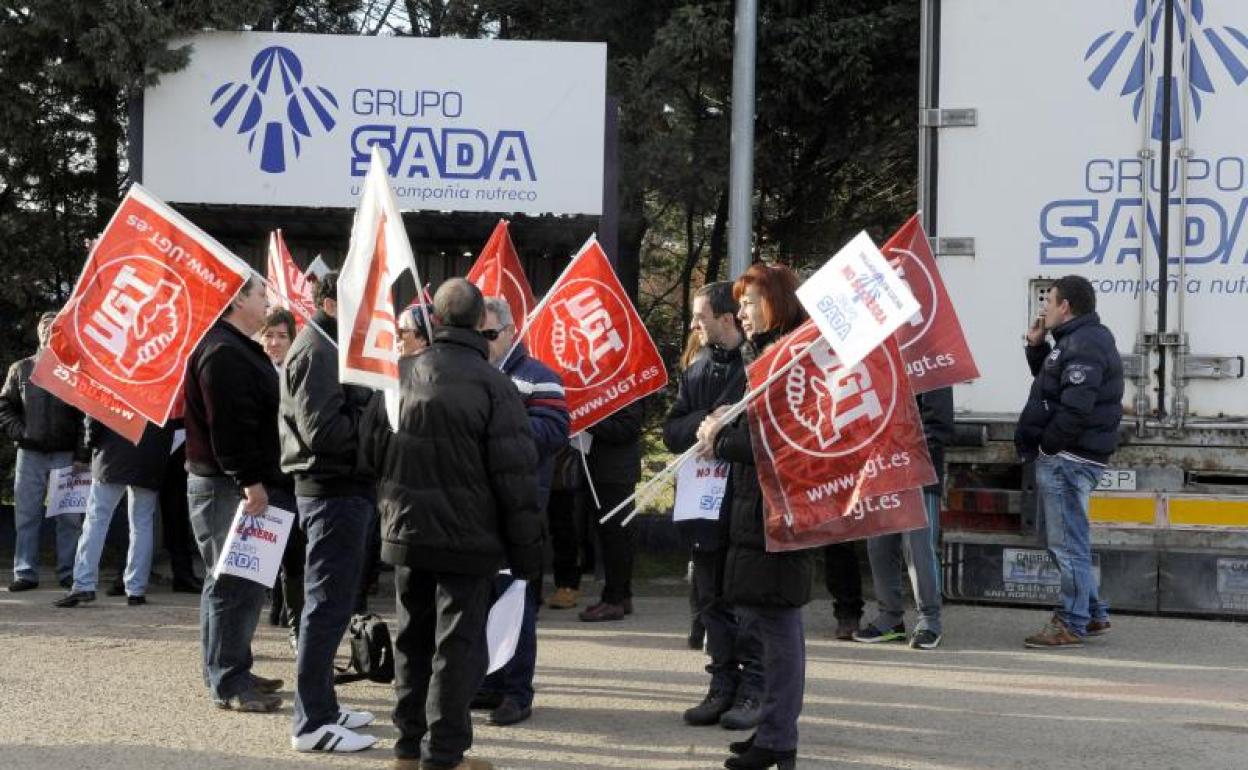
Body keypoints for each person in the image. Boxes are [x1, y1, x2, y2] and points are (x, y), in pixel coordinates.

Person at [365, 278, 542, 770]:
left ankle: (408, 749)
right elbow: (515, 476)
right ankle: (442, 756)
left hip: (408, 534)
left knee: (412, 641)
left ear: (437, 320)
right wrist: (528, 555)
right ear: (480, 325)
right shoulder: (495, 385)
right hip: (468, 541)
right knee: (455, 650)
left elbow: (370, 453)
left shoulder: (399, 375)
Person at [700, 264, 812, 770]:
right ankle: (771, 728)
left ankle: (779, 742)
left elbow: (785, 446)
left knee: (779, 627)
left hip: (780, 510)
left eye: (749, 303)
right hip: (756, 506)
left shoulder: (796, 360)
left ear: (777, 304)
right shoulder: (766, 355)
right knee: (764, 624)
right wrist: (722, 425)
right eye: (741, 304)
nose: (741, 312)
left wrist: (720, 439)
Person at [279, 272, 379, 752]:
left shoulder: (328, 345)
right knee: (324, 607)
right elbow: (325, 433)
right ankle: (311, 724)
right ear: (332, 303)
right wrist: (378, 409)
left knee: (335, 604)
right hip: (330, 491)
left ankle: (324, 706)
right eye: (361, 303)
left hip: (344, 488)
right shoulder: (318, 349)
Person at [184, 275, 293, 713]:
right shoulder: (224, 352)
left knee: (231, 585)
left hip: (231, 484)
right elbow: (229, 427)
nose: (268, 303)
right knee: (234, 584)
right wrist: (250, 481)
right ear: (238, 300)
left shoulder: (233, 347)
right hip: (230, 487)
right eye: (261, 296)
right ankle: (229, 681)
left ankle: (230, 669)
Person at [662, 281, 763, 731]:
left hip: (742, 504)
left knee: (746, 602)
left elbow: (763, 439)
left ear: (725, 319)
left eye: (700, 316)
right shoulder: (697, 367)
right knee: (709, 600)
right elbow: (671, 430)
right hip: (702, 503)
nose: (693, 325)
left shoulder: (758, 366)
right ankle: (720, 685)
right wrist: (704, 428)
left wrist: (722, 436)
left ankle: (753, 689)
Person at [475, 296, 569, 727]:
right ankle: (490, 682)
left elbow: (550, 434)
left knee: (516, 602)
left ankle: (517, 691)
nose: (484, 342)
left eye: (491, 334)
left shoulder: (540, 378)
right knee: (480, 601)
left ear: (512, 331)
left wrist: (492, 425)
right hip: (475, 510)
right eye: (478, 334)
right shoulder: (470, 376)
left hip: (520, 511)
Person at [1017, 275, 1123, 648]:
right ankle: (1092, 614)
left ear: (1066, 306)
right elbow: (1052, 384)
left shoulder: (1084, 342)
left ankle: (1071, 622)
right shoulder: (1074, 341)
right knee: (1068, 539)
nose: (1044, 306)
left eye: (1050, 300)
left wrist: (1048, 447)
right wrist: (1036, 346)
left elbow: (1076, 408)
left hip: (1069, 458)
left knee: (1066, 544)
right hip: (1070, 455)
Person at [853, 387, 953, 649]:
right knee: (879, 547)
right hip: (880, 469)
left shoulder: (926, 356)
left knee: (919, 549)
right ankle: (890, 618)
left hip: (918, 469)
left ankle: (929, 621)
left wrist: (909, 459)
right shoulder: (877, 356)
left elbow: (939, 423)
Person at [0, 311, 87, 591]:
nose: (49, 331)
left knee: (70, 518)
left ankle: (68, 572)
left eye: (55, 327)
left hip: (66, 456)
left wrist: (82, 455)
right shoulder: (21, 369)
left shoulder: (74, 370)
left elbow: (85, 416)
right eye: (44, 327)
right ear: (38, 332)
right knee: (26, 515)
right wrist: (19, 432)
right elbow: (4, 405)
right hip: (30, 453)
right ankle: (25, 573)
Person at [54, 420, 174, 607]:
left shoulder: (117, 388)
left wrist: (86, 447)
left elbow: (93, 419)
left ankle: (84, 584)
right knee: (142, 524)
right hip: (149, 458)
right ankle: (136, 589)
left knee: (96, 520)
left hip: (111, 453)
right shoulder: (162, 390)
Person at [260, 308, 305, 647]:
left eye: (281, 336)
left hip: (293, 476)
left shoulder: (300, 371)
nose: (274, 342)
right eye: (269, 335)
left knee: (293, 554)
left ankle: (296, 626)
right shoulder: (255, 371)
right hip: (264, 477)